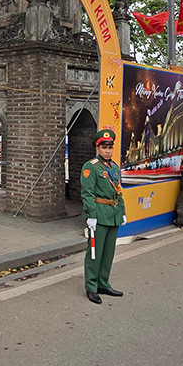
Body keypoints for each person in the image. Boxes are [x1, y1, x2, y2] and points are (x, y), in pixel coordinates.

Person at [81, 129, 126, 304]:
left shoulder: (114, 167)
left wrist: (122, 212)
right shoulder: (90, 167)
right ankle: (91, 287)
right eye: (104, 147)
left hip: (113, 214)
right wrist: (91, 215)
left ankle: (103, 283)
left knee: (108, 253)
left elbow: (118, 192)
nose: (108, 150)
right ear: (97, 148)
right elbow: (87, 193)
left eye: (110, 147)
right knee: (95, 253)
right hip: (99, 214)